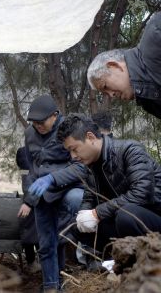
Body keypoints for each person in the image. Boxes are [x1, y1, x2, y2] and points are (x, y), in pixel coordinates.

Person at [57, 114, 161, 270]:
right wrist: (80, 220)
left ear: (90, 137)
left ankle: (144, 262)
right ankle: (114, 261)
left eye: (74, 149)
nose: (73, 156)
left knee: (125, 215)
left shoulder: (129, 150)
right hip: (125, 221)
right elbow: (89, 197)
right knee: (79, 226)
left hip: (153, 217)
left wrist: (97, 213)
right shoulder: (91, 166)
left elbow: (142, 193)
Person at [23, 95, 86, 292]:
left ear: (55, 115)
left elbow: (80, 166)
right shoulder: (29, 134)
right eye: (34, 123)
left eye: (41, 122)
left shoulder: (69, 129)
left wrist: (53, 178)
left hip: (68, 188)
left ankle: (76, 271)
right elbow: (32, 166)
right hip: (42, 194)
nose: (37, 126)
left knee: (63, 236)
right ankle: (51, 286)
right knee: (45, 242)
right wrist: (29, 199)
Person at [87, 12, 161, 119]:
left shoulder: (155, 34)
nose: (111, 95)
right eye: (105, 93)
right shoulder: (148, 102)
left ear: (114, 66)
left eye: (105, 86)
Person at [16, 147, 41, 274]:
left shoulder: (22, 152)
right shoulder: (36, 152)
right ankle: (36, 263)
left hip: (30, 199)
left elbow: (27, 185)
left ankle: (32, 263)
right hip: (34, 200)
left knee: (29, 233)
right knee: (36, 233)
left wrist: (28, 202)